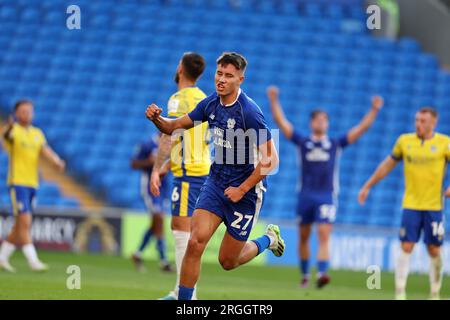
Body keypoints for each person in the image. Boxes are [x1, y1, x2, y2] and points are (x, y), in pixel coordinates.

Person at [145, 52, 285, 301]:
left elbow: (271, 160)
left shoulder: (250, 113)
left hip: (246, 193)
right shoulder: (211, 103)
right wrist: (158, 119)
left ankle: (269, 239)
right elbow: (172, 126)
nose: (221, 79)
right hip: (216, 182)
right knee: (194, 243)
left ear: (240, 79)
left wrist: (242, 189)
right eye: (219, 73)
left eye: (228, 76)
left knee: (228, 261)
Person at [267, 86, 383, 288]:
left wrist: (374, 110)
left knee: (323, 234)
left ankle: (321, 273)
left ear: (328, 124)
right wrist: (274, 100)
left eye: (324, 119)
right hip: (305, 195)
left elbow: (360, 129)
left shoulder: (335, 143)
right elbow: (282, 124)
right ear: (312, 123)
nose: (321, 122)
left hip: (326, 196)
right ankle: (304, 274)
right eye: (317, 119)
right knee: (303, 237)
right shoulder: (303, 142)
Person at [358, 107, 450, 300]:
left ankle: (435, 293)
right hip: (411, 204)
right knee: (406, 246)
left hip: (434, 206)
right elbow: (387, 165)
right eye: (417, 120)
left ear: (433, 123)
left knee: (434, 249)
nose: (418, 124)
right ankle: (400, 292)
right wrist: (367, 185)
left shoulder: (444, 143)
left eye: (423, 121)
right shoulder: (404, 141)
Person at [150, 52, 210, 300]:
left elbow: (170, 135)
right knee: (189, 234)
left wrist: (156, 168)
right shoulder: (205, 98)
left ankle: (185, 293)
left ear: (181, 70)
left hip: (188, 173)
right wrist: (166, 168)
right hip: (203, 170)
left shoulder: (178, 99)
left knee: (181, 229)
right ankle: (183, 290)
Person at [0, 100, 65, 272]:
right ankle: (33, 260)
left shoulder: (37, 133)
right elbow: (6, 137)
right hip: (17, 183)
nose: (26, 114)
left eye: (29, 111)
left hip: (32, 184)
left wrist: (57, 162)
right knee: (25, 221)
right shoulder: (14, 131)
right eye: (22, 111)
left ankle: (2, 257)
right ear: (16, 113)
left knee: (19, 225)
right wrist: (7, 127)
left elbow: (46, 151)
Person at [130, 134, 172, 273]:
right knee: (159, 219)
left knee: (156, 224)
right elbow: (134, 163)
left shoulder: (171, 144)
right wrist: (149, 162)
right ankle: (164, 260)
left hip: (164, 188)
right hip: (149, 188)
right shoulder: (148, 144)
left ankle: (137, 254)